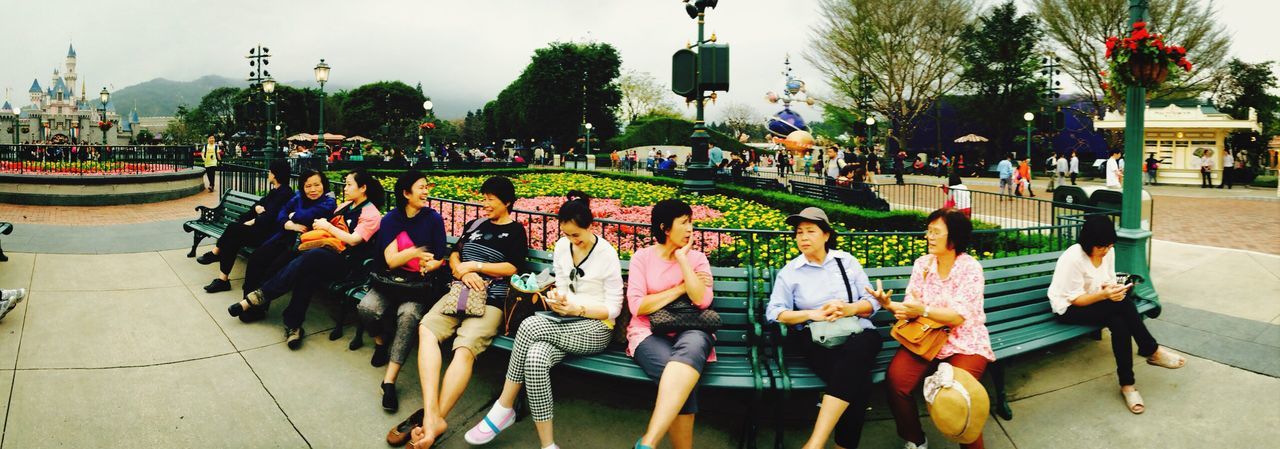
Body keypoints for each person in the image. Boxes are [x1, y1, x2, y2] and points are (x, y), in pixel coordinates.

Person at [463, 191, 624, 449]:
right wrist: (558, 301)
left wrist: (577, 308)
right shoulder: (562, 247)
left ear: (590, 227)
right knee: (536, 359)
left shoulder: (606, 253)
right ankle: (548, 445)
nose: (572, 241)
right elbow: (562, 285)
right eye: (566, 234)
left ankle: (504, 406)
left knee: (528, 325)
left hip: (596, 327)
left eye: (577, 236)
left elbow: (614, 308)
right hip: (562, 322)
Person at [405, 176, 527, 448]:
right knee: (426, 329)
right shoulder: (474, 224)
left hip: (491, 300)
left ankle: (436, 419)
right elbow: (454, 254)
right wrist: (460, 268)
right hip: (457, 293)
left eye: (491, 200)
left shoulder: (515, 230)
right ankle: (431, 412)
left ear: (507, 202)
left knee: (464, 348)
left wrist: (477, 267)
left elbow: (514, 268)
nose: (485, 204)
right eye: (484, 198)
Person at [867, 208, 994, 449]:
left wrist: (922, 310)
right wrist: (889, 304)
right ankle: (915, 439)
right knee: (896, 382)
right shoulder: (923, 264)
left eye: (936, 232)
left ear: (954, 237)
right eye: (928, 231)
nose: (929, 236)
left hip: (964, 341)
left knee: (959, 394)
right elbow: (911, 307)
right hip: (926, 336)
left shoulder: (970, 268)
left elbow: (957, 317)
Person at [767, 207, 881, 449]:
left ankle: (815, 443)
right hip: (818, 340)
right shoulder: (790, 273)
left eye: (810, 231)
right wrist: (812, 314)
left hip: (858, 332)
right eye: (799, 232)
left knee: (860, 350)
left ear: (826, 235)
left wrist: (848, 309)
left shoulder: (846, 261)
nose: (803, 237)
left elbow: (872, 303)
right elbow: (775, 313)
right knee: (857, 385)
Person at [1047, 215, 1185, 414]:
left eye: (1109, 246)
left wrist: (1114, 290)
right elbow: (1074, 299)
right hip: (1069, 309)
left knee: (1119, 321)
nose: (1106, 251)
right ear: (1088, 243)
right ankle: (1151, 351)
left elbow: (1107, 279)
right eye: (1102, 247)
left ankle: (1128, 385)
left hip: (1098, 302)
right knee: (1123, 307)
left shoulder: (1107, 252)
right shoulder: (1073, 258)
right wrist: (1105, 294)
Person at [238, 170, 385, 349]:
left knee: (311, 258)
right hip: (326, 254)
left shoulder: (371, 213)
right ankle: (293, 325)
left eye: (348, 184)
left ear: (363, 188)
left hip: (348, 264)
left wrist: (328, 226)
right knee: (306, 271)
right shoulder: (347, 205)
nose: (345, 188)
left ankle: (261, 296)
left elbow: (354, 240)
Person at [355, 171, 450, 413]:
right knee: (366, 308)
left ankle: (389, 381)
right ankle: (379, 340)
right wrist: (417, 252)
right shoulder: (391, 219)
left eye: (427, 187)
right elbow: (391, 261)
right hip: (389, 280)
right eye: (421, 187)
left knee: (408, 317)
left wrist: (433, 263)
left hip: (417, 286)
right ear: (406, 193)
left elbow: (440, 256)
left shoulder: (433, 219)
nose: (426, 191)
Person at [626, 199, 714, 449]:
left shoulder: (697, 258)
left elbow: (702, 301)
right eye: (684, 223)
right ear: (665, 228)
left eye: (691, 222)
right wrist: (681, 288)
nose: (690, 229)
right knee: (679, 379)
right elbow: (638, 306)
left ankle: (648, 442)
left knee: (683, 369)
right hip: (648, 331)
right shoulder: (642, 258)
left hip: (693, 328)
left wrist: (683, 260)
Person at [234, 169, 336, 322]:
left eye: (317, 185)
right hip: (285, 236)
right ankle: (249, 304)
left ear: (324, 185)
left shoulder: (328, 201)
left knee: (273, 267)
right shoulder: (298, 197)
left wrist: (293, 215)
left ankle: (259, 306)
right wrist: (289, 223)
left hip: (301, 246)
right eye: (308, 186)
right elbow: (282, 212)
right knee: (257, 259)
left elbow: (309, 215)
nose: (313, 190)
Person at [198, 160, 294, 293]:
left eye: (270, 172)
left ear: (275, 175)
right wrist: (257, 211)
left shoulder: (285, 194)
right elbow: (257, 206)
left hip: (269, 236)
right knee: (233, 238)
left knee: (233, 229)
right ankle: (222, 279)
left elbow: (270, 218)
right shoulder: (275, 192)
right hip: (260, 230)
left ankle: (216, 254)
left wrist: (255, 218)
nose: (268, 174)